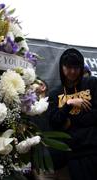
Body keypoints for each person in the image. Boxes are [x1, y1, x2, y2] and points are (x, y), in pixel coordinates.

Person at [48, 48, 97, 180]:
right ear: (62, 67)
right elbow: (55, 123)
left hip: (94, 148)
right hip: (74, 155)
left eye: (76, 67)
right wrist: (69, 103)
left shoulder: (92, 83)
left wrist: (71, 121)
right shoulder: (54, 93)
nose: (73, 71)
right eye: (69, 67)